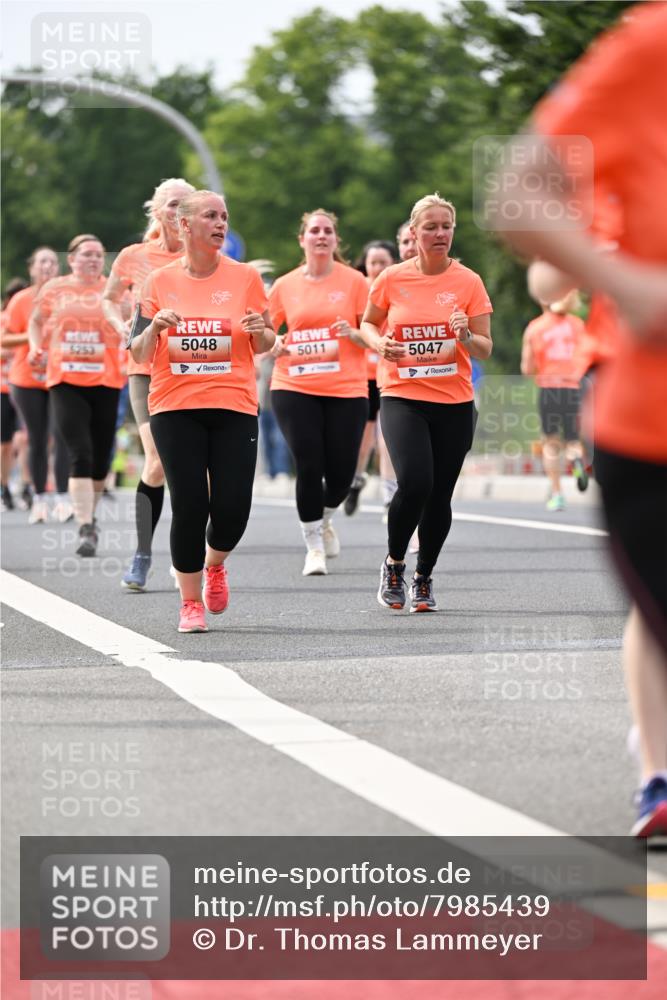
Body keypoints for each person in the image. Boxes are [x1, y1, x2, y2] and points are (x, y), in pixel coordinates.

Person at [490, 1, 667, 836]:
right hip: (640, 400)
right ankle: (657, 770)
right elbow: (529, 240)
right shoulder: (645, 53)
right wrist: (623, 284)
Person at [130, 190, 275, 633]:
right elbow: (137, 352)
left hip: (233, 404)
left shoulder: (245, 277)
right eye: (210, 216)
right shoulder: (158, 282)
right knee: (190, 504)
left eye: (225, 216)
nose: (220, 223)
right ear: (184, 225)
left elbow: (267, 341)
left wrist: (260, 332)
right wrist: (155, 327)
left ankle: (215, 564)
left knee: (233, 510)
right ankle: (189, 603)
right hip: (175, 406)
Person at [361, 193, 493, 612]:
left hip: (454, 401)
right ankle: (395, 562)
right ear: (414, 233)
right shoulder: (392, 279)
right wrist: (380, 344)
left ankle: (424, 577)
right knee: (415, 481)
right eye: (431, 227)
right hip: (403, 395)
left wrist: (466, 338)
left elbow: (486, 348)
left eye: (446, 227)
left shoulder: (468, 281)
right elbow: (367, 322)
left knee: (439, 496)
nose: (440, 234)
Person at [103, 178, 195, 590]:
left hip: (193, 367)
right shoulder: (133, 256)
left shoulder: (203, 253)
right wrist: (119, 321)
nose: (179, 212)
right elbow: (108, 298)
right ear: (156, 211)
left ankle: (189, 553)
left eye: (185, 205)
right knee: (155, 459)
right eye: (173, 204)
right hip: (146, 365)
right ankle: (142, 552)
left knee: (196, 467)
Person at [269, 209, 371, 576]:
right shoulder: (285, 285)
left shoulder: (356, 282)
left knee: (342, 473)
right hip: (294, 384)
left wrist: (353, 334)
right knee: (309, 462)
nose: (322, 236)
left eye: (328, 230)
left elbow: (372, 331)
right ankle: (313, 545)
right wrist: (276, 341)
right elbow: (264, 334)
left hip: (346, 386)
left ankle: (324, 518)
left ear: (335, 240)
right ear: (303, 239)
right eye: (314, 230)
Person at [28, 235, 124, 557]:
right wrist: (35, 348)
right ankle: (85, 525)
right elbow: (36, 321)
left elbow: (133, 322)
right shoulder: (54, 289)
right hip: (65, 379)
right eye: (86, 255)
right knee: (79, 452)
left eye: (98, 255)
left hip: (108, 380)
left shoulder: (114, 289)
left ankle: (91, 514)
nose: (94, 260)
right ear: (71, 259)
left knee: (100, 458)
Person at [3, 247, 73, 524]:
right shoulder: (20, 300)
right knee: (37, 438)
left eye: (53, 262)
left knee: (62, 435)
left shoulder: (69, 297)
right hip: (26, 377)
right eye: (42, 261)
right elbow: (4, 340)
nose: (48, 266)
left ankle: (62, 498)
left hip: (61, 376)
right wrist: (34, 340)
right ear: (32, 268)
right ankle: (39, 499)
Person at [520, 290, 588, 511]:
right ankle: (576, 460)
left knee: (550, 442)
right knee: (573, 440)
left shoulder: (535, 328)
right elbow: (588, 357)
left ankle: (557, 494)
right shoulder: (577, 325)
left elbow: (527, 369)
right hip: (574, 388)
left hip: (549, 389)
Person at [344, 240, 398, 516]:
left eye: (383, 262)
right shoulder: (358, 289)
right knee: (364, 440)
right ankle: (355, 481)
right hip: (362, 375)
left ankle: (390, 494)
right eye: (373, 262)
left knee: (386, 438)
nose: (377, 267)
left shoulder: (398, 285)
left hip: (389, 374)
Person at [1, 279, 29, 512]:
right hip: (3, 388)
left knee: (26, 439)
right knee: (5, 445)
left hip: (25, 387)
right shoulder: (4, 321)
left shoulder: (32, 322)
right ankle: (4, 487)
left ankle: (27, 485)